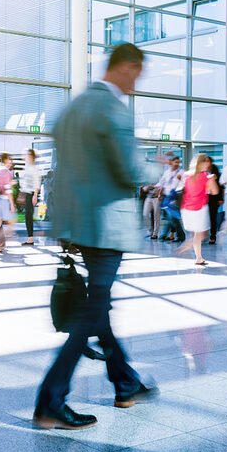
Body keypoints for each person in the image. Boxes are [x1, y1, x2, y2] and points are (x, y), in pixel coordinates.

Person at [36, 43, 156, 431]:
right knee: (90, 314)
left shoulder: (72, 109)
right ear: (125, 67)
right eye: (137, 72)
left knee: (98, 310)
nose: (137, 81)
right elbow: (129, 170)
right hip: (106, 228)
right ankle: (50, 401)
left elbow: (65, 171)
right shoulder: (114, 112)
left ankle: (126, 384)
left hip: (77, 226)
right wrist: (159, 172)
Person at [179, 154, 220, 266]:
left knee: (197, 234)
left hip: (186, 208)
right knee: (202, 235)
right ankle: (188, 246)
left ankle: (199, 258)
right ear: (200, 164)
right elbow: (215, 192)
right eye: (205, 164)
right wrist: (213, 180)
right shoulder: (207, 176)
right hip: (199, 208)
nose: (207, 167)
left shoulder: (186, 175)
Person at [145, 152, 178, 240]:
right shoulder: (162, 168)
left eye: (163, 158)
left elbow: (168, 183)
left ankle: (171, 234)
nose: (161, 160)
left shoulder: (171, 169)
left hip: (168, 195)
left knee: (169, 216)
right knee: (167, 216)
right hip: (162, 195)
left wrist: (159, 191)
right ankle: (166, 234)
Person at [17, 149, 43, 245]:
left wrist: (35, 196)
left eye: (28, 155)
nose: (26, 156)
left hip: (31, 194)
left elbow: (37, 182)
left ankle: (31, 238)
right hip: (27, 194)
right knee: (28, 216)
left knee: (28, 216)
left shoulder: (34, 168)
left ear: (32, 156)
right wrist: (21, 194)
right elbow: (24, 183)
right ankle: (31, 237)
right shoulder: (27, 167)